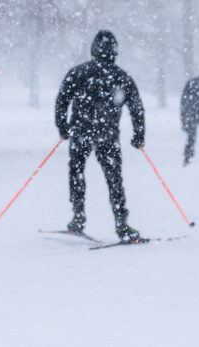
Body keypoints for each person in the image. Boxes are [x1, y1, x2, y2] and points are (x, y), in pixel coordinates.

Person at [55, 30, 145, 242]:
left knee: (77, 172)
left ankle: (78, 216)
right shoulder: (121, 77)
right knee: (114, 178)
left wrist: (62, 126)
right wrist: (138, 134)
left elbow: (62, 100)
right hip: (107, 134)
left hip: (81, 131)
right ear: (114, 50)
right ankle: (121, 223)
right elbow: (136, 108)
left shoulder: (78, 72)